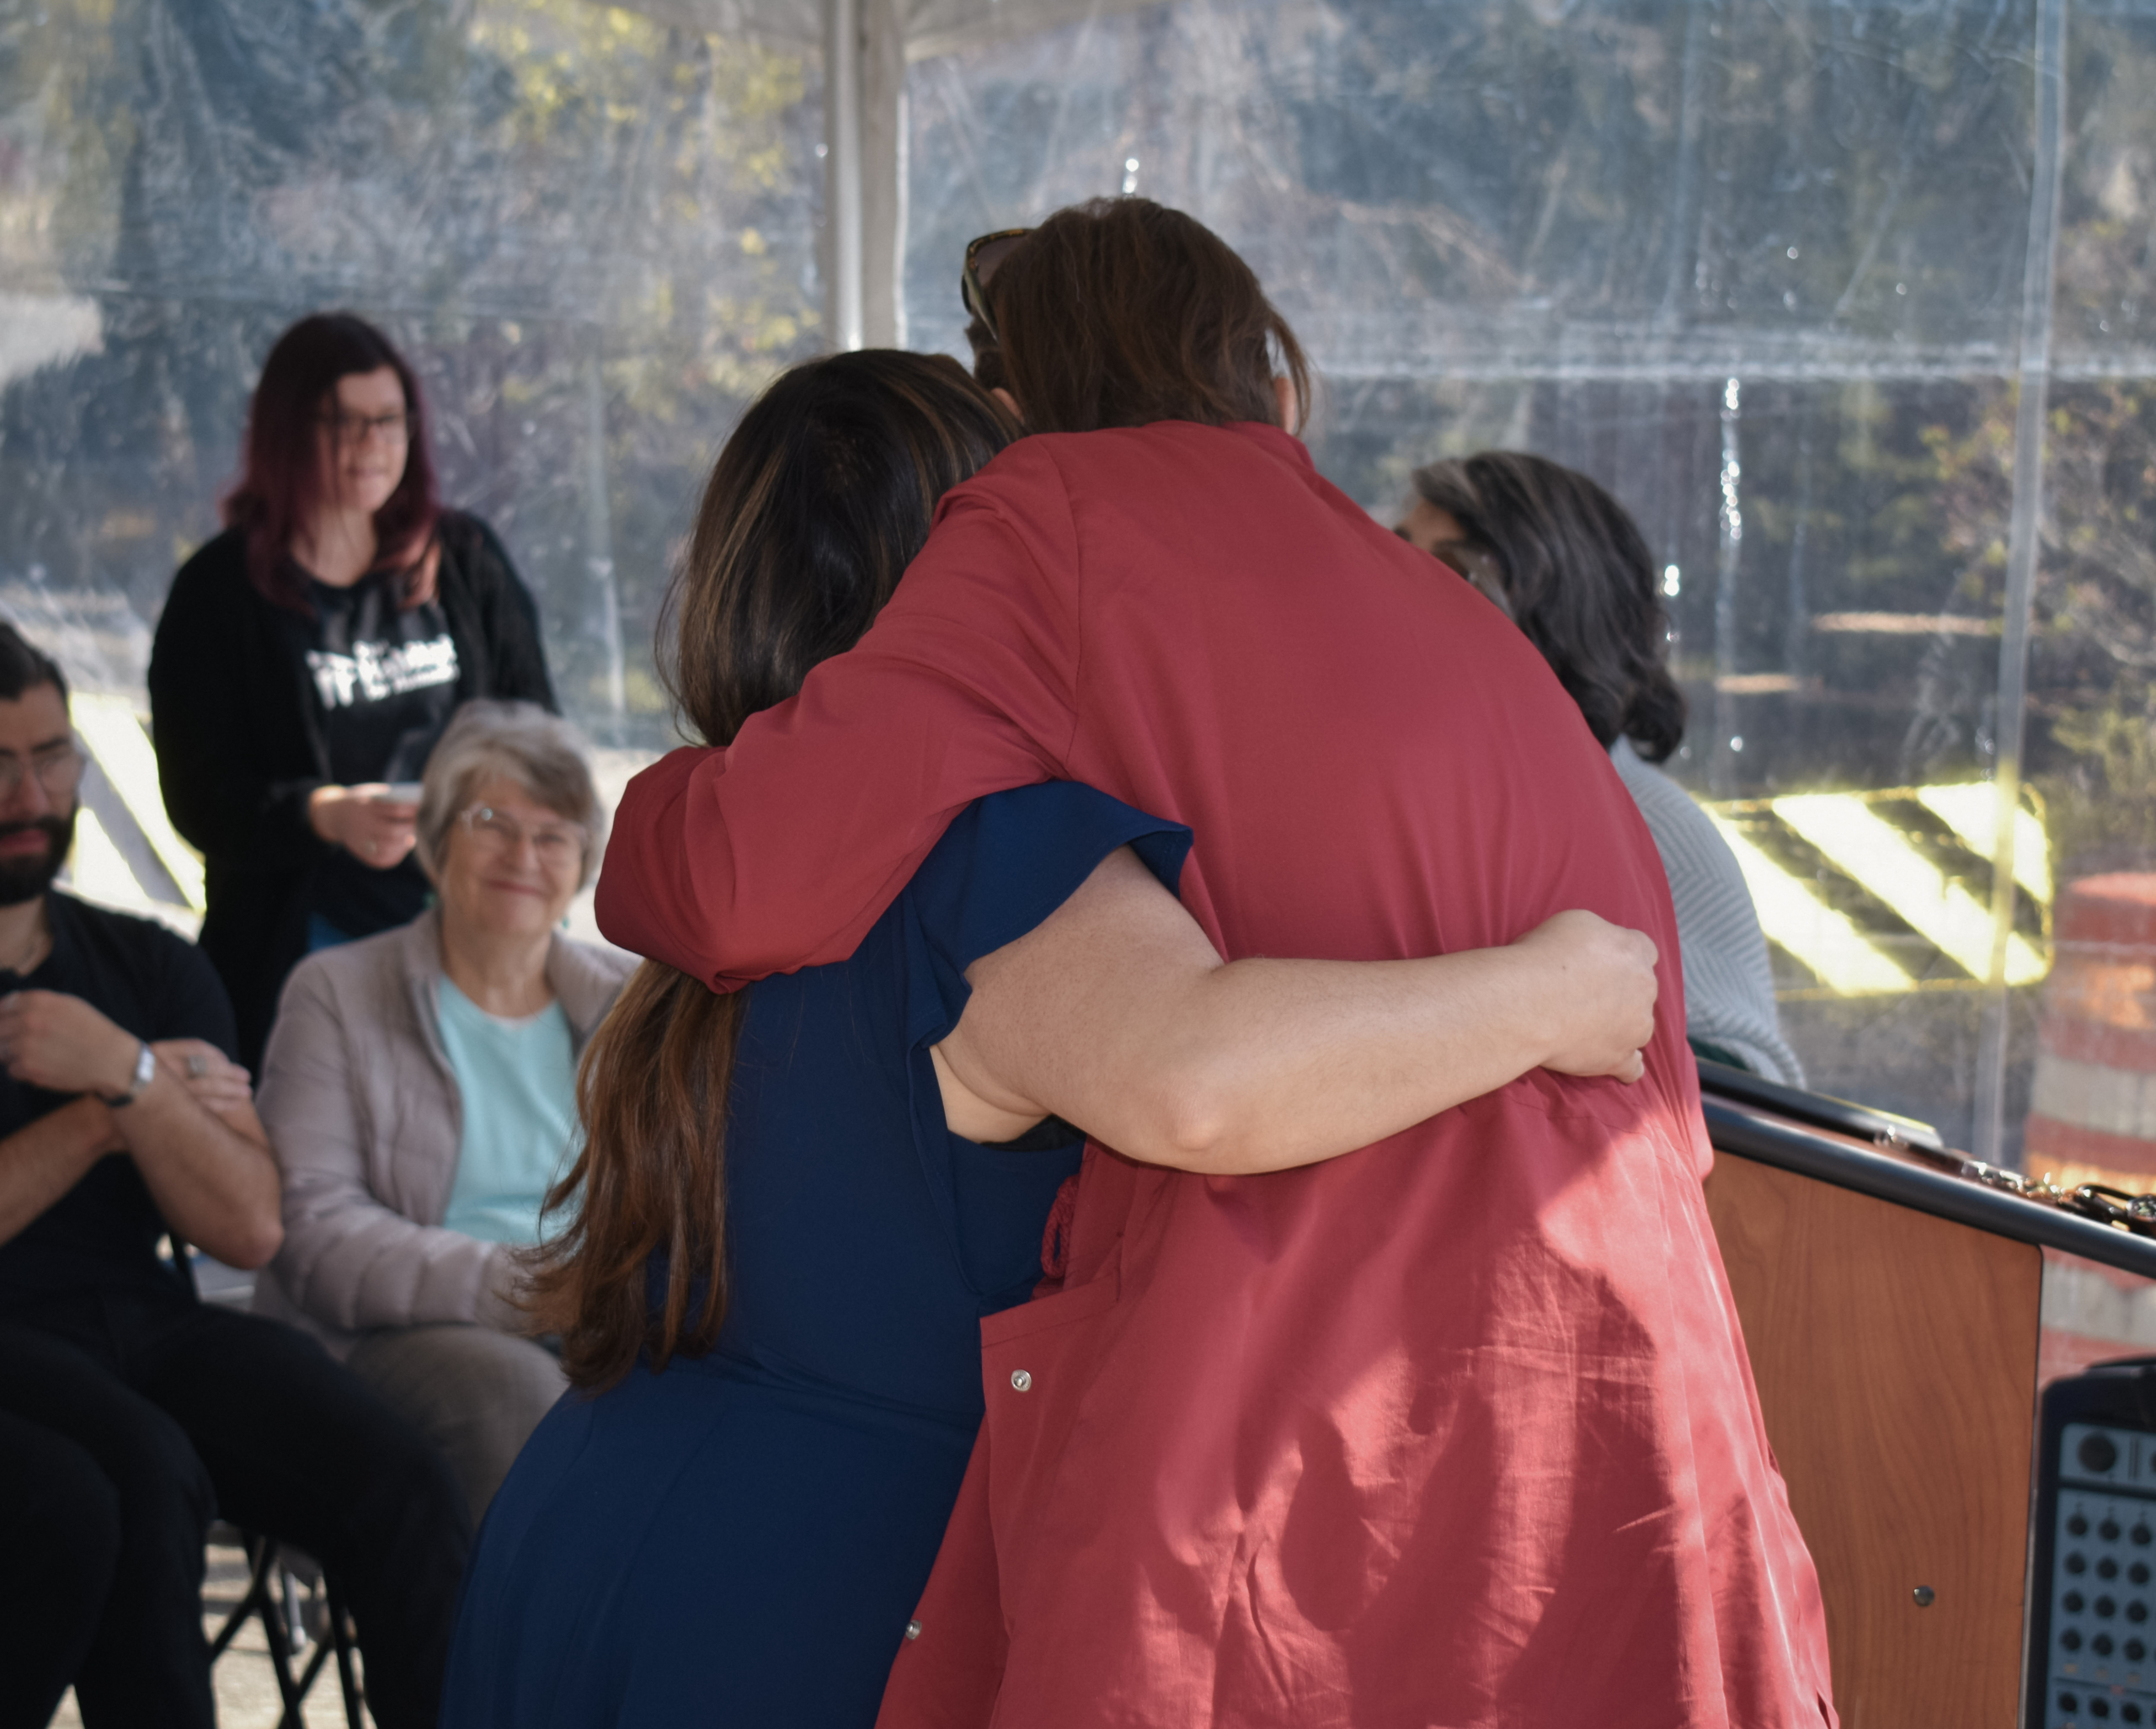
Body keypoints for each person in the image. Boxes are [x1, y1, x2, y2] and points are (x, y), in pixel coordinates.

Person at [592, 201, 1836, 1727]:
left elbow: (731, 880)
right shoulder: (1453, 623)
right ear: (1273, 382)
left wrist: (635, 814)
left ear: (1015, 400)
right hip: (1632, 1408)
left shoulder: (1050, 521)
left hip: (1326, 1427)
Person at [437, 350, 1661, 1727]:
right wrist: (1555, 990)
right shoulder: (980, 847)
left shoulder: (723, 836)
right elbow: (1194, 1077)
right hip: (820, 1602)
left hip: (594, 1522)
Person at [0, 624, 469, 1729]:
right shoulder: (141, 1029)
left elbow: (251, 1225)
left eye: (54, 754)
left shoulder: (150, 965)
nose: (33, 789)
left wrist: (122, 1069)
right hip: (14, 1335)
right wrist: (125, 1103)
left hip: (145, 1316)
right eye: (1, 763)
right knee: (143, 1476)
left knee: (400, 1477)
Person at [149, 311, 557, 1071]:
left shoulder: (463, 559)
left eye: (388, 420)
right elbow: (200, 798)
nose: (371, 443)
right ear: (286, 433)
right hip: (304, 946)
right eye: (343, 423)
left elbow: (537, 734)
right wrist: (324, 815)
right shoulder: (217, 593)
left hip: (469, 922)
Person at [253, 700, 625, 1524]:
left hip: (595, 1323)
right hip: (387, 1335)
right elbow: (313, 1231)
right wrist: (524, 1288)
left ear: (584, 859)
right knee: (518, 1396)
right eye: (492, 820)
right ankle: (506, 1655)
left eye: (554, 832)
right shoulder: (338, 990)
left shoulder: (633, 1002)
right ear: (434, 837)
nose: (523, 854)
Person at [1398, 451, 1806, 1086]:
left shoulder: (1653, 826)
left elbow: (1752, 1099)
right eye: (1392, 558)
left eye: (1454, 575)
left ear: (1556, 615)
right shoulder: (1420, 808)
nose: (1393, 601)